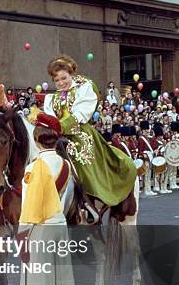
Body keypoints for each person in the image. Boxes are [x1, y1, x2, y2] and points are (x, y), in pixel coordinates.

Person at [43, 55, 136, 208]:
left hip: (80, 133)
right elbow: (50, 116)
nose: (61, 83)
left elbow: (82, 113)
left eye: (64, 78)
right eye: (57, 80)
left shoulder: (84, 89)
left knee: (82, 161)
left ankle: (90, 199)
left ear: (71, 73)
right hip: (56, 135)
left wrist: (60, 126)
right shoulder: (51, 98)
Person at [19, 113, 74, 285]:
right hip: (60, 227)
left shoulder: (33, 169)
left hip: (40, 230)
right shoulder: (66, 165)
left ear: (36, 139)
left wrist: (21, 238)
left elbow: (28, 208)